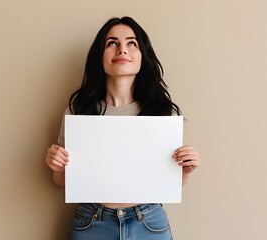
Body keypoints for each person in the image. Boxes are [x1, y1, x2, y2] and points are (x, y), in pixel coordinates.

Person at [45, 16, 200, 240]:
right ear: (100, 56)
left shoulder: (163, 113)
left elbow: (170, 183)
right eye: (112, 43)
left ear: (142, 57)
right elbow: (63, 182)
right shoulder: (78, 112)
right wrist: (57, 167)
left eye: (131, 43)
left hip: (149, 222)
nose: (122, 50)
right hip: (92, 222)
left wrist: (185, 170)